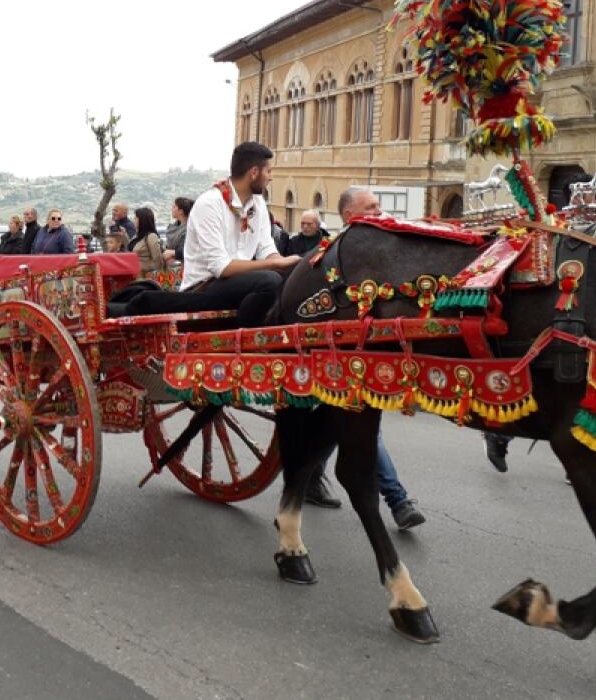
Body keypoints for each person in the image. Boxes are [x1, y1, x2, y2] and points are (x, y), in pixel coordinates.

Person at [305, 186, 425, 531]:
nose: (379, 212)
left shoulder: (383, 251)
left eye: (379, 206)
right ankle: (398, 500)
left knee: (342, 425)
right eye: (370, 208)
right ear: (348, 217)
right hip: (335, 357)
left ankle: (311, 475)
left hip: (365, 355)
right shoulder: (333, 258)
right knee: (362, 428)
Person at [179, 142, 300, 327]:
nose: (271, 178)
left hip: (237, 283)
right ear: (254, 173)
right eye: (269, 171)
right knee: (269, 281)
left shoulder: (257, 203)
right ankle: (247, 339)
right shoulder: (210, 204)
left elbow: (265, 248)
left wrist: (289, 264)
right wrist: (274, 264)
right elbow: (221, 267)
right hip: (202, 287)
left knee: (292, 276)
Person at [129, 207, 166, 273]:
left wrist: (159, 274)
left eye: (136, 218)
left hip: (146, 275)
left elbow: (157, 258)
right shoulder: (137, 235)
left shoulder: (151, 236)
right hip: (134, 272)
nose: (133, 220)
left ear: (142, 220)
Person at [162, 197, 194, 265]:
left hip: (184, 265)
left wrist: (174, 253)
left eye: (174, 207)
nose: (172, 209)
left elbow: (192, 250)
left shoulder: (190, 228)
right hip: (170, 264)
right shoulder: (172, 228)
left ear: (181, 211)